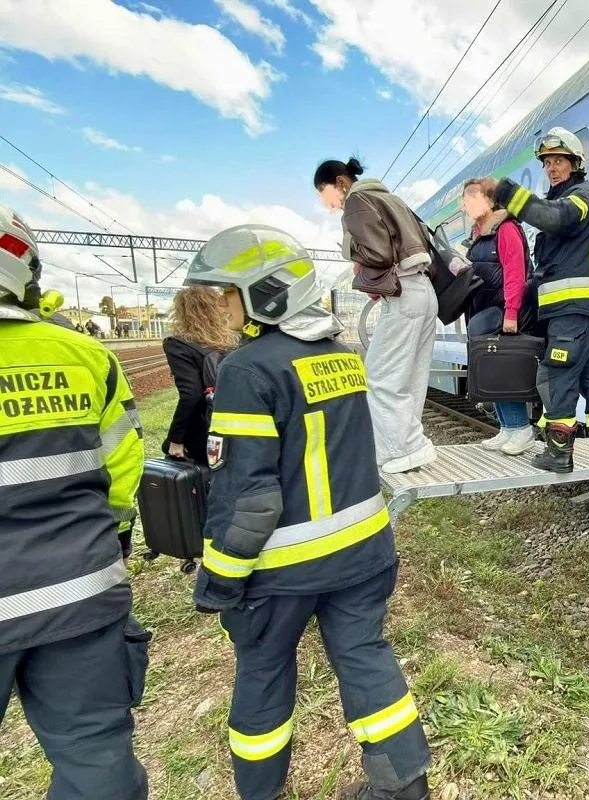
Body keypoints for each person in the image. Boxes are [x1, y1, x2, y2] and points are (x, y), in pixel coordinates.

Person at [185, 224, 430, 800]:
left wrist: (219, 580)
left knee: (264, 677)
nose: (221, 309)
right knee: (367, 661)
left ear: (263, 295)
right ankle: (403, 788)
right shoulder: (341, 356)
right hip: (366, 553)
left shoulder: (247, 370)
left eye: (228, 295)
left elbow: (249, 498)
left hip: (283, 572)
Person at [0, 202, 149, 799]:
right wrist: (107, 541)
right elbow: (123, 466)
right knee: (98, 764)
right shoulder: (88, 358)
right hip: (81, 592)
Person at [477, 127, 589, 473]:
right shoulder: (572, 197)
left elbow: (553, 218)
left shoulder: (583, 196)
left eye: (559, 161)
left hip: (574, 309)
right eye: (547, 163)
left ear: (575, 162)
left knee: (556, 375)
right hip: (587, 310)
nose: (552, 168)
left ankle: (559, 455)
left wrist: (504, 191)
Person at [314, 157, 438, 475]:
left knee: (380, 378)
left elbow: (379, 254)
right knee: (411, 376)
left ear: (341, 182)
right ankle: (414, 444)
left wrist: (351, 249)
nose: (328, 202)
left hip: (402, 293)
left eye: (325, 193)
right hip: (424, 290)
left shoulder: (357, 200)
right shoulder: (391, 198)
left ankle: (399, 449)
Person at [460, 178, 537, 454]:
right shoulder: (479, 236)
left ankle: (522, 429)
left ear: (491, 201)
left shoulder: (505, 229)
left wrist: (512, 312)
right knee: (493, 371)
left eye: (472, 197)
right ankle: (507, 428)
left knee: (504, 370)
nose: (465, 203)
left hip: (503, 311)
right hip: (485, 311)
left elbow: (515, 272)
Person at [163, 286, 239, 464]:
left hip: (207, 432)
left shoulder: (177, 344)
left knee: (170, 451)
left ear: (182, 313)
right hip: (236, 425)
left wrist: (176, 439)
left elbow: (191, 394)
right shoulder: (233, 341)